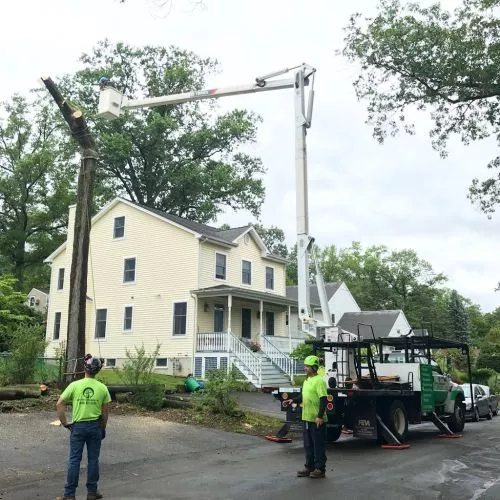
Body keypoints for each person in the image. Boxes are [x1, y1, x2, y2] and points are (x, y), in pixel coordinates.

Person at [56, 354, 111, 500]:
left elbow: (59, 404)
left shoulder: (75, 385)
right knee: (93, 460)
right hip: (95, 427)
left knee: (74, 459)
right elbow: (105, 412)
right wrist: (102, 428)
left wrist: (65, 422)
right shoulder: (103, 388)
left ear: (84, 368)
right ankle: (92, 492)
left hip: (78, 427)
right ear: (98, 370)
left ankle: (69, 494)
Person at [285, 354, 328, 479]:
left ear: (314, 368)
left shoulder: (319, 381)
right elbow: (303, 397)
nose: (305, 368)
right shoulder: (306, 381)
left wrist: (320, 416)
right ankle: (309, 467)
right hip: (306, 418)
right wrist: (292, 400)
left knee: (317, 445)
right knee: (308, 444)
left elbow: (324, 400)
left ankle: (320, 469)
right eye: (305, 366)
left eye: (307, 366)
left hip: (317, 419)